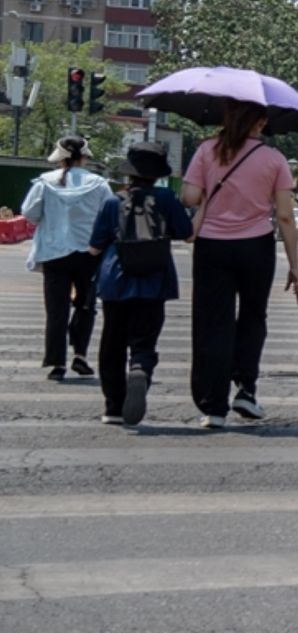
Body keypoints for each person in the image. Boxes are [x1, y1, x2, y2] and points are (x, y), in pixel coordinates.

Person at [182, 100, 298, 429]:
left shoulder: (207, 150)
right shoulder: (275, 159)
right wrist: (294, 265)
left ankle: (213, 406)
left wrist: (208, 191)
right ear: (260, 123)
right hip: (255, 247)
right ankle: (245, 390)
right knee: (252, 317)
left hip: (211, 247)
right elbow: (285, 216)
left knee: (212, 323)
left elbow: (190, 197)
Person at [87, 143, 192, 426]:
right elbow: (186, 232)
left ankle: (113, 407)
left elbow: (96, 246)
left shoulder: (112, 201)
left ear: (129, 174)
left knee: (112, 342)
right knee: (145, 337)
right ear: (157, 174)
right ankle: (140, 368)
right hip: (155, 278)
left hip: (116, 278)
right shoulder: (166, 198)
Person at [20, 136, 113, 381]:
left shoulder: (44, 182)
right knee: (86, 305)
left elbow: (29, 213)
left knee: (56, 309)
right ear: (84, 157)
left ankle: (56, 362)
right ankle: (80, 355)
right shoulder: (99, 184)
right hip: (89, 253)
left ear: (59, 158)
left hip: (54, 252)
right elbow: (109, 216)